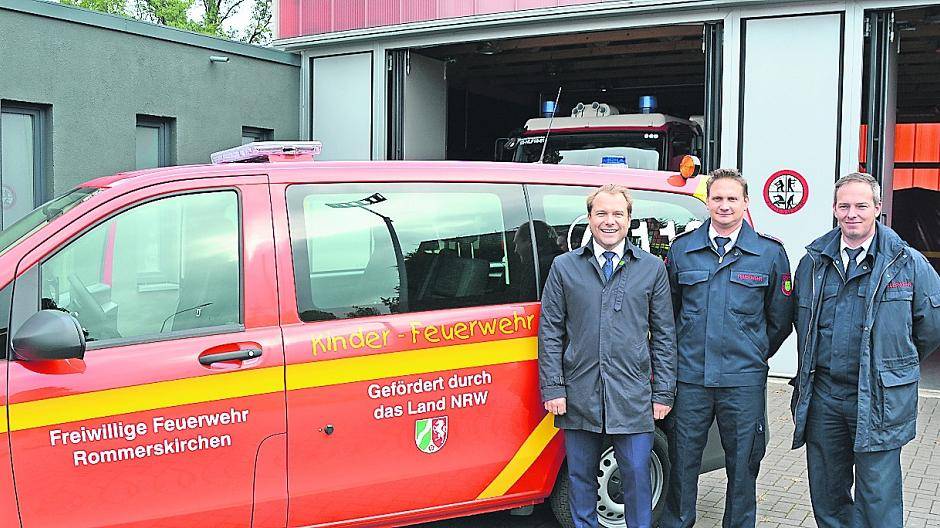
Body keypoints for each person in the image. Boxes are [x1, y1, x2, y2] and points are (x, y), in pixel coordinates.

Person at [790, 172, 940, 528]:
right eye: (845, 206)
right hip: (824, 396)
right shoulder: (814, 261)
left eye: (861, 205)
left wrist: (895, 365)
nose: (852, 213)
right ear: (834, 210)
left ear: (877, 208)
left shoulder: (906, 262)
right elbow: (798, 319)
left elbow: (931, 325)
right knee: (828, 494)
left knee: (879, 496)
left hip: (878, 398)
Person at [660, 168, 794, 528]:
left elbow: (780, 320)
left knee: (744, 464)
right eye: (717, 198)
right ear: (707, 202)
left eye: (732, 198)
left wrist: (752, 351)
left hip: (743, 381)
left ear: (745, 203)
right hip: (690, 380)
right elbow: (669, 312)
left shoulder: (769, 253)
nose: (724, 205)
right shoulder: (683, 250)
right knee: (682, 462)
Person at [538, 183, 676, 528]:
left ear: (629, 220)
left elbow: (664, 335)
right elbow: (551, 332)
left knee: (636, 481)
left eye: (617, 213)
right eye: (601, 213)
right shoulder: (564, 267)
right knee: (581, 481)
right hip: (579, 393)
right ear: (589, 218)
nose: (609, 221)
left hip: (632, 396)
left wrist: (663, 393)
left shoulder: (651, 268)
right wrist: (553, 388)